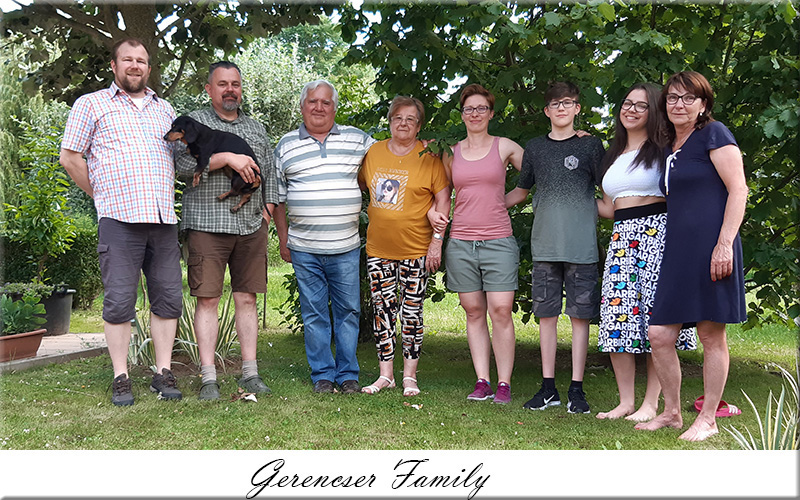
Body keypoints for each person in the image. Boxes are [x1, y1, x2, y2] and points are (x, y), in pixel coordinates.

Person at [60, 38, 183, 406]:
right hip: (119, 218)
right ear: (114, 66)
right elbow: (70, 157)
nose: (135, 65)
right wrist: (101, 195)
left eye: (141, 60)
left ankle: (163, 372)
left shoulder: (165, 109)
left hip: (162, 218)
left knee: (168, 299)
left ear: (149, 68)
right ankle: (121, 376)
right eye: (127, 59)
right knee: (118, 302)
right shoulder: (91, 104)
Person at [635, 71, 747, 441]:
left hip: (714, 248)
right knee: (659, 334)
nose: (679, 104)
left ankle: (709, 419)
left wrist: (725, 243)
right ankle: (671, 412)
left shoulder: (714, 134)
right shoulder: (669, 146)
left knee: (710, 334)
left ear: (703, 104)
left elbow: (738, 190)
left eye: (688, 98)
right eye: (672, 98)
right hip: (678, 251)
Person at [594, 83, 696, 421]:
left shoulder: (664, 149)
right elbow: (609, 208)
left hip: (657, 235)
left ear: (653, 111)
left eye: (641, 105)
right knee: (616, 316)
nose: (631, 110)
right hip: (622, 238)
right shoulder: (613, 155)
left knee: (657, 321)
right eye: (627, 103)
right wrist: (569, 199)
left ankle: (651, 403)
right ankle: (625, 401)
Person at [174, 61, 276, 401]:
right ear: (209, 89)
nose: (229, 89)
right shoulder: (192, 122)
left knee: (247, 298)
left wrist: (268, 211)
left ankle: (251, 373)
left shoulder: (256, 128)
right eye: (222, 84)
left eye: (235, 84)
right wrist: (228, 158)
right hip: (207, 224)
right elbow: (181, 164)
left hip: (250, 225)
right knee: (208, 299)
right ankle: (208, 378)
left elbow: (271, 172)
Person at [506, 81, 605, 414]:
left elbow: (609, 193)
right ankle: (548, 388)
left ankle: (577, 388)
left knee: (580, 319)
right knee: (546, 317)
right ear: (546, 111)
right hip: (545, 247)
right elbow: (520, 192)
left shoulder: (591, 146)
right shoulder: (535, 148)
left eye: (567, 102)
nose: (561, 108)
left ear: (577, 108)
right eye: (555, 103)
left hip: (582, 247)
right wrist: (483, 207)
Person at [273, 80, 376, 394]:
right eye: (312, 101)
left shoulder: (358, 139)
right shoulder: (285, 145)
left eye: (326, 102)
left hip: (345, 245)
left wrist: (423, 145)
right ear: (302, 106)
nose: (319, 107)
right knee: (314, 313)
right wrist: (283, 238)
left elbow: (392, 157)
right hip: (304, 248)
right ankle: (322, 375)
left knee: (349, 312)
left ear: (334, 108)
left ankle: (347, 375)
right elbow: (278, 199)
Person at [435, 83, 524, 405]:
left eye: (481, 108)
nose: (475, 114)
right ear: (462, 114)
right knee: (473, 311)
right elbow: (442, 194)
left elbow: (535, 175)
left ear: (491, 113)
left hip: (499, 240)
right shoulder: (451, 153)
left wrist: (503, 202)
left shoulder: (505, 147)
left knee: (501, 310)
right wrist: (434, 220)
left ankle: (504, 383)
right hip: (461, 242)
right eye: (469, 109)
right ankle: (482, 380)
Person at [357, 96, 450, 397]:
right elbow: (361, 185)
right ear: (389, 121)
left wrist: (436, 242)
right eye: (398, 117)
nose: (403, 123)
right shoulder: (373, 152)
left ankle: (409, 376)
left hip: (416, 250)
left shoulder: (429, 155)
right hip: (378, 249)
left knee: (411, 314)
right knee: (382, 313)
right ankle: (386, 375)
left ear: (419, 125)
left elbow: (443, 198)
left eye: (410, 119)